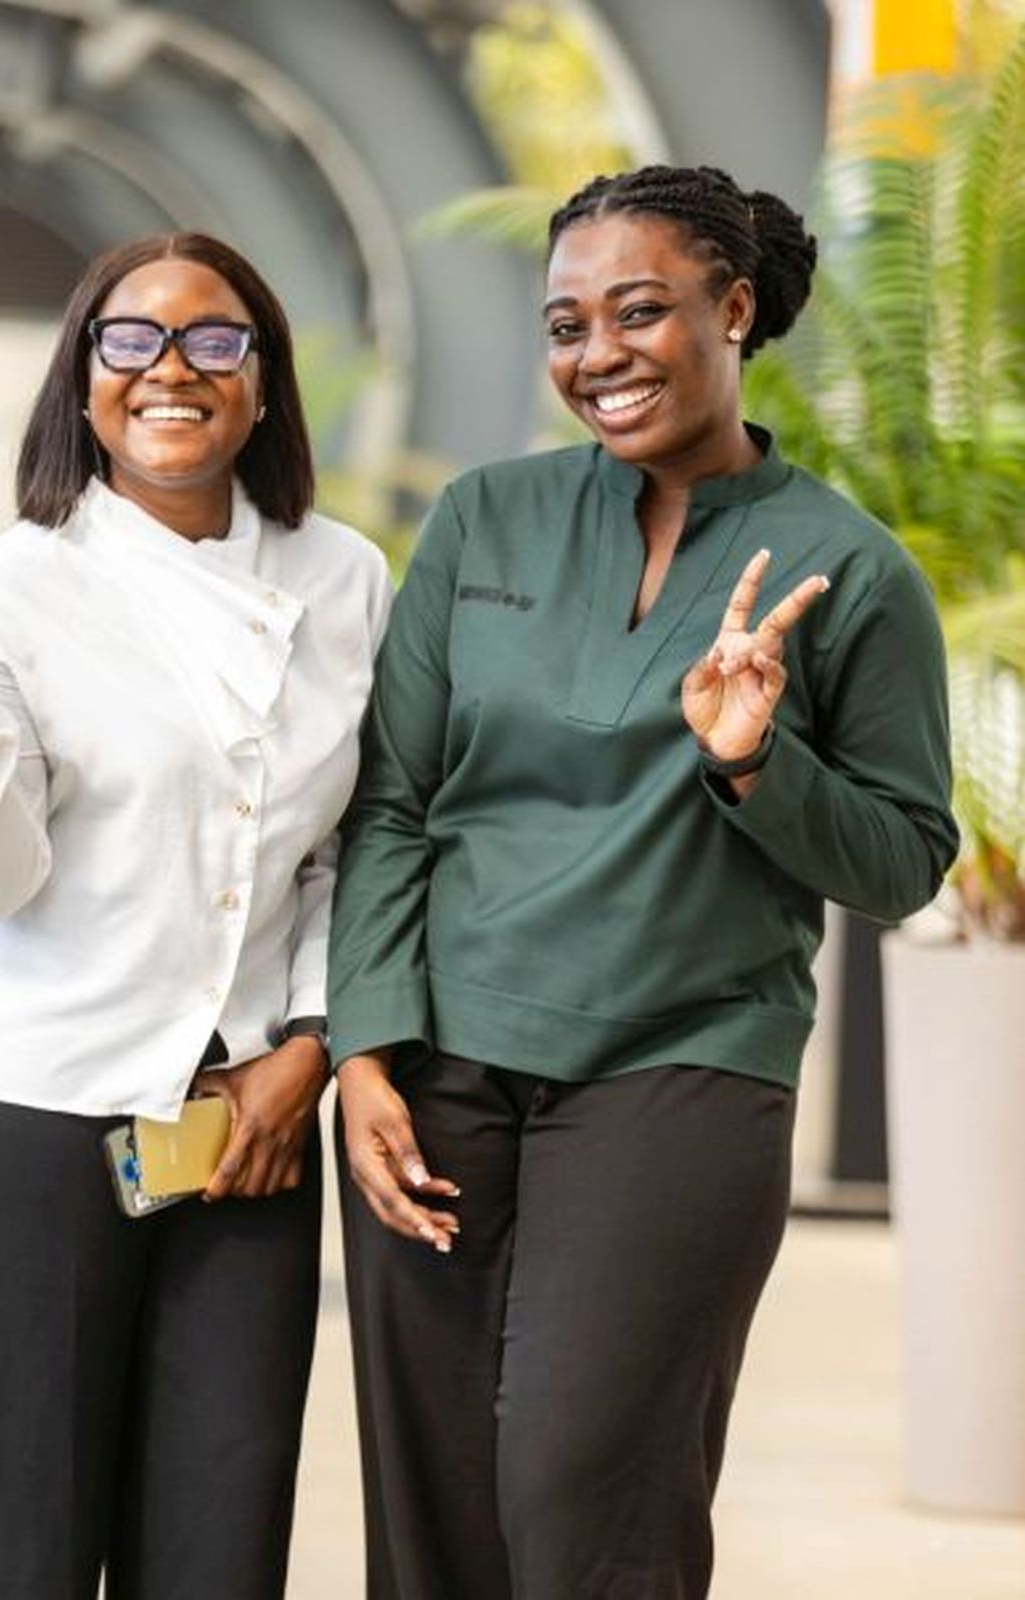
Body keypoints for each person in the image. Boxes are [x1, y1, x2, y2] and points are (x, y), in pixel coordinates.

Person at [328, 164, 958, 1600]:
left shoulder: (850, 575)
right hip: (441, 1075)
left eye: (639, 311)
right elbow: (396, 802)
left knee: (586, 1495)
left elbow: (907, 860)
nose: (595, 354)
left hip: (678, 1069)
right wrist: (362, 1048)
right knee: (431, 1508)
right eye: (566, 324)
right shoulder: (485, 522)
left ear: (734, 311)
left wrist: (755, 765)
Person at [0, 231, 391, 1599]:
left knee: (219, 1544)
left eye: (213, 340)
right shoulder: (4, 583)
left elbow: (338, 850)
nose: (169, 369)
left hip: (240, 1125)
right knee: (10, 1546)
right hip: (29, 1111)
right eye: (129, 341)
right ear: (83, 382)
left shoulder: (344, 578)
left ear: (262, 382)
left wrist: (303, 1048)